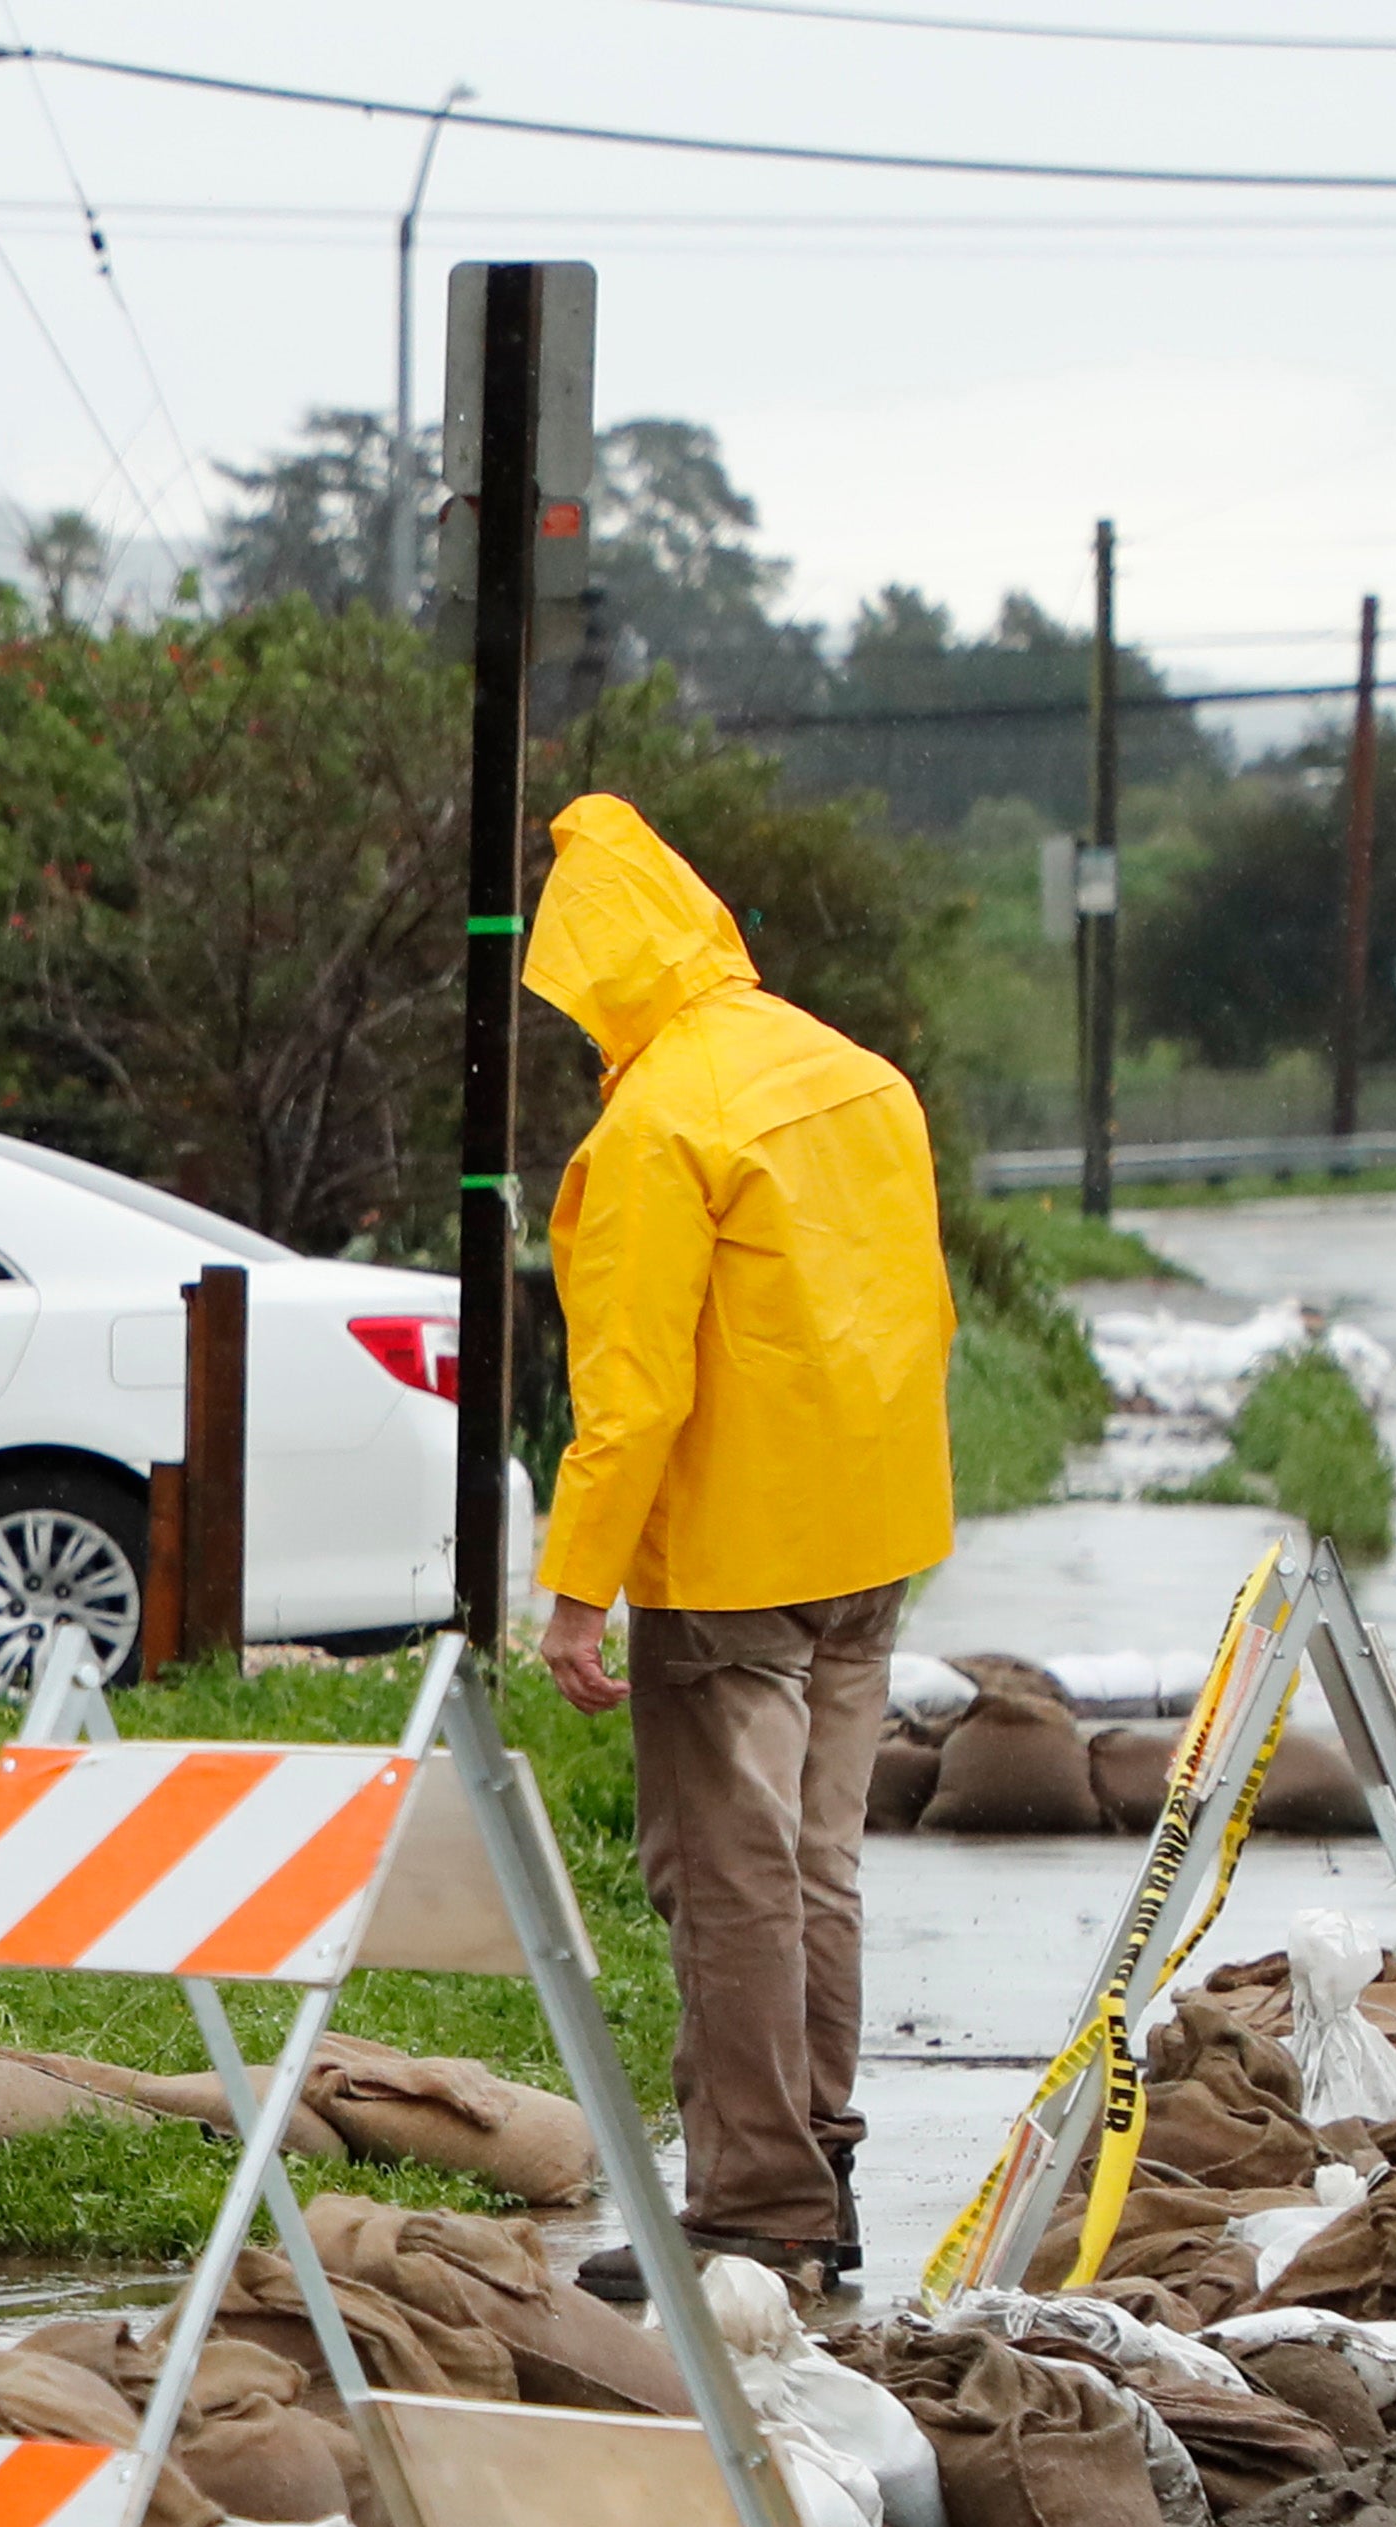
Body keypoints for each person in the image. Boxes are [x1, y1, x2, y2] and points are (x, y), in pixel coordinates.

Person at [518, 793, 954, 2301]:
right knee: (817, 1861)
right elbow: (915, 1313)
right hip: (872, 1536)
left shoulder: (658, 1125)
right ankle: (819, 2169)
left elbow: (629, 1395)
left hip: (731, 1565)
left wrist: (576, 1592)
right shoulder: (855, 1078)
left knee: (729, 1876)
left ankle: (755, 2207)